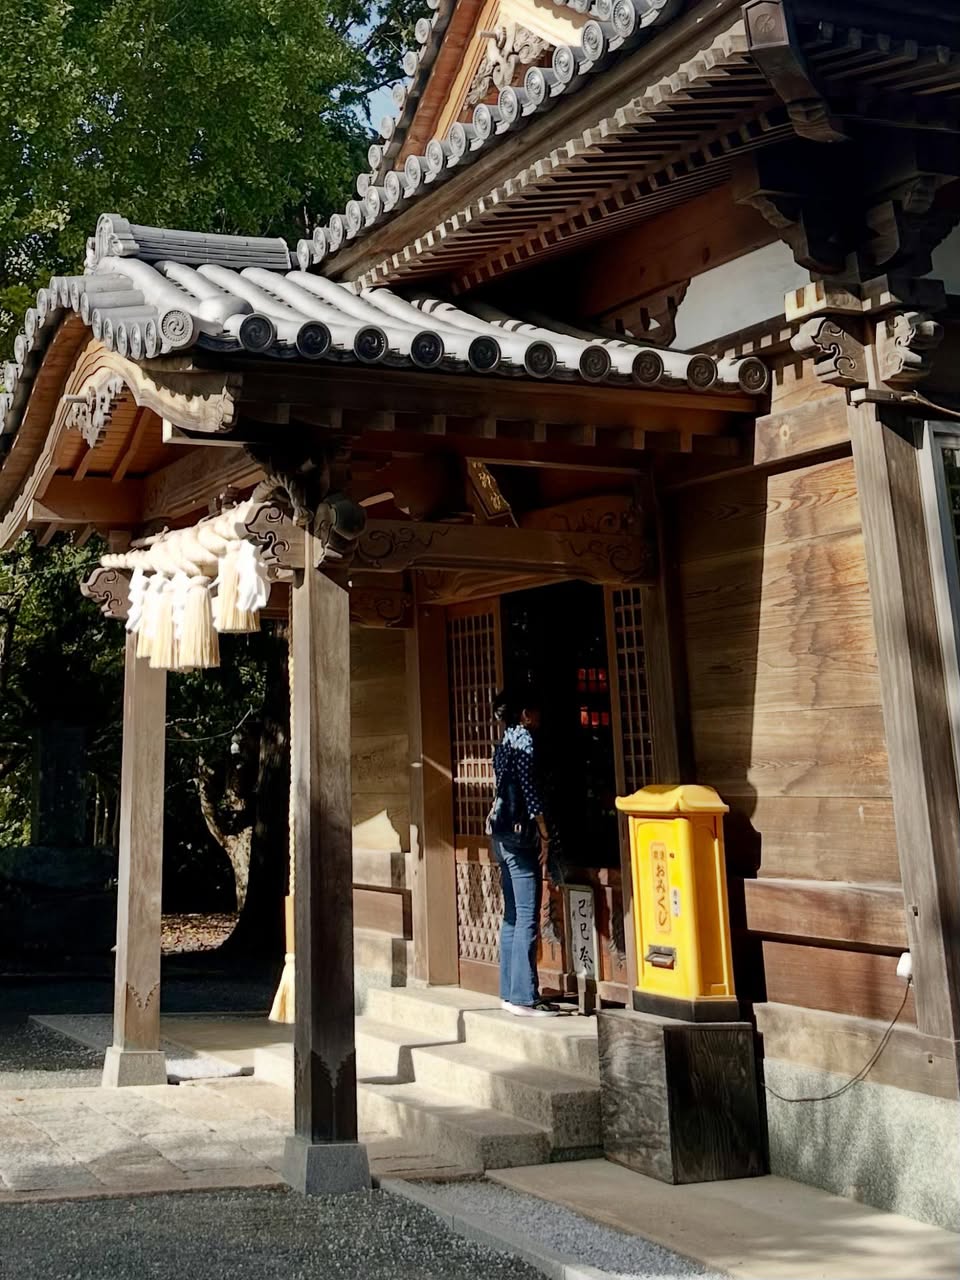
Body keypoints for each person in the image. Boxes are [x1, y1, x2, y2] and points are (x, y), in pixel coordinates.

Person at [487, 687, 560, 1017]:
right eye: (535, 711)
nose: (539, 717)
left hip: (501, 835)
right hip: (520, 836)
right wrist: (544, 833)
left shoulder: (503, 744)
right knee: (528, 914)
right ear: (525, 715)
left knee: (512, 915)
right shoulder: (524, 742)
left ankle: (508, 992)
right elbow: (531, 793)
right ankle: (524, 996)